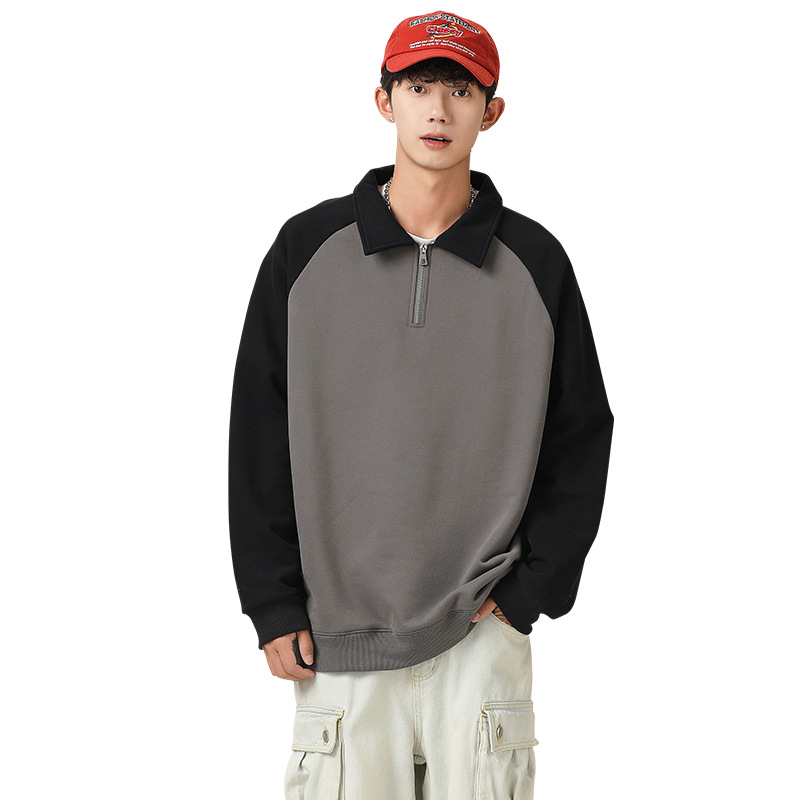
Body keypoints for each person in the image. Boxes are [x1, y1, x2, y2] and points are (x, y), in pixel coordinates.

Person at [228, 9, 614, 798]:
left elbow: (581, 431)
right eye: (418, 87)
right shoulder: (306, 251)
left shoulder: (536, 261)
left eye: (461, 91)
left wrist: (530, 592)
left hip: (481, 634)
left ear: (491, 112)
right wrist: (271, 600)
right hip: (336, 636)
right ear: (385, 101)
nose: (438, 109)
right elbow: (259, 429)